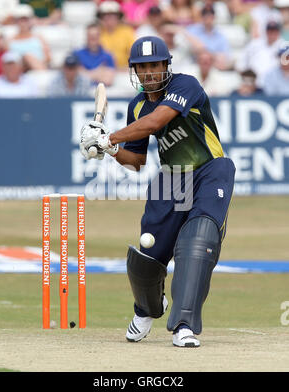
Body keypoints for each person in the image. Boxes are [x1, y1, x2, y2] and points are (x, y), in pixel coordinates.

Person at [79, 36, 235, 348]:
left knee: (197, 239)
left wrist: (109, 137)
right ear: (134, 70)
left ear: (166, 65)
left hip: (210, 170)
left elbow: (157, 121)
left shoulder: (185, 85)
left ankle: (184, 325)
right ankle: (147, 310)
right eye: (142, 66)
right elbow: (136, 161)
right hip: (171, 177)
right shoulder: (135, 105)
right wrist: (108, 151)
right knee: (147, 255)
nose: (150, 72)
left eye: (155, 65)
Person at [236, 20, 285, 87]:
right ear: (266, 31)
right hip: (253, 84)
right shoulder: (254, 44)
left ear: (279, 32)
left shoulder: (284, 46)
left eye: (275, 31)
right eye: (270, 31)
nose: (272, 33)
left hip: (275, 85)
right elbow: (241, 64)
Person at [186, 4, 232, 70]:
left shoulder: (220, 36)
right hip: (196, 65)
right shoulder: (193, 30)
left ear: (214, 17)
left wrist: (207, 54)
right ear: (202, 17)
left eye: (210, 16)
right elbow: (191, 47)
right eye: (205, 16)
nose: (208, 19)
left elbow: (225, 56)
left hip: (214, 67)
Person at [9, 4, 51, 71]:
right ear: (16, 21)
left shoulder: (39, 37)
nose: (23, 23)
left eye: (25, 20)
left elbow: (48, 57)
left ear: (30, 20)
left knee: (28, 57)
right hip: (19, 70)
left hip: (38, 67)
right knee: (26, 57)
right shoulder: (10, 40)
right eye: (20, 20)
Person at [97, 1, 136, 70]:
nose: (108, 18)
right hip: (103, 71)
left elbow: (134, 54)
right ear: (100, 18)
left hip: (125, 71)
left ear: (118, 17)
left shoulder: (127, 31)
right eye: (105, 15)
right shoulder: (97, 32)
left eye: (112, 15)